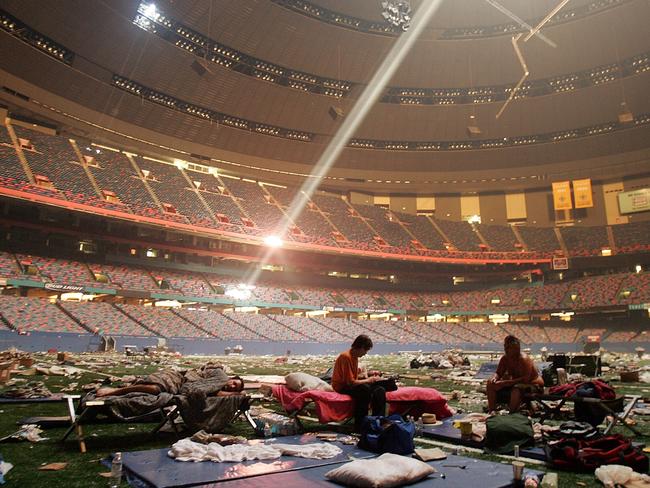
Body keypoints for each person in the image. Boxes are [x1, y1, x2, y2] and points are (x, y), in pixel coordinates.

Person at [332, 334, 386, 430]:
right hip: (341, 387)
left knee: (379, 390)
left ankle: (378, 421)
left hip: (350, 384)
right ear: (360, 347)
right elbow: (350, 382)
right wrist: (368, 380)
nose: (365, 353)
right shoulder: (346, 357)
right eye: (365, 350)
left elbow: (354, 378)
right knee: (364, 390)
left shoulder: (354, 357)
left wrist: (368, 376)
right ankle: (360, 424)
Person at [96, 363, 244, 398]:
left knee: (152, 390)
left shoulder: (217, 387)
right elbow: (192, 389)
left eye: (235, 388)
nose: (232, 387)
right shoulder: (221, 376)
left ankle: (123, 390)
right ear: (232, 378)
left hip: (178, 385)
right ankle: (115, 391)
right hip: (177, 379)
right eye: (234, 383)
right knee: (154, 388)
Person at [486, 335, 543, 413]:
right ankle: (492, 410)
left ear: (516, 348)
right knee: (490, 383)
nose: (506, 349)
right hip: (515, 383)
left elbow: (525, 379)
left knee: (517, 388)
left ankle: (512, 413)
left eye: (509, 347)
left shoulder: (524, 359)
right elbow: (499, 372)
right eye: (505, 346)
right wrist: (494, 378)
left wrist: (505, 383)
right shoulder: (505, 358)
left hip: (533, 385)